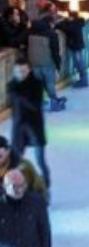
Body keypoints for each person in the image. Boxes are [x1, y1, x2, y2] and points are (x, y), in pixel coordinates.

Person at [7, 57, 49, 189]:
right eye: (18, 71)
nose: (20, 74)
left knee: (40, 161)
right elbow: (11, 106)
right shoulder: (12, 85)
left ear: (29, 70)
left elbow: (35, 105)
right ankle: (13, 188)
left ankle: (46, 188)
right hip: (19, 128)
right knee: (14, 161)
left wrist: (19, 96)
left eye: (23, 71)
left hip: (34, 127)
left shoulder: (37, 84)